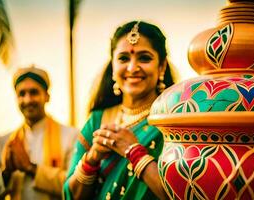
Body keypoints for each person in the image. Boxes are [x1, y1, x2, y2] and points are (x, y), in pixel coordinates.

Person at [64, 21, 175, 200]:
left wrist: (134, 152)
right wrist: (92, 159)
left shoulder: (174, 119)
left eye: (144, 58)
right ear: (113, 66)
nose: (132, 68)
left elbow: (182, 194)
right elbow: (70, 195)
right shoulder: (97, 120)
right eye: (123, 58)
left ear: (161, 66)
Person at [0, 65, 79, 200]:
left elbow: (76, 187)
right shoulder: (5, 141)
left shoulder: (70, 136)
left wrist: (31, 168)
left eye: (34, 92)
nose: (27, 100)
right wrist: (5, 173)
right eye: (21, 94)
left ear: (47, 96)